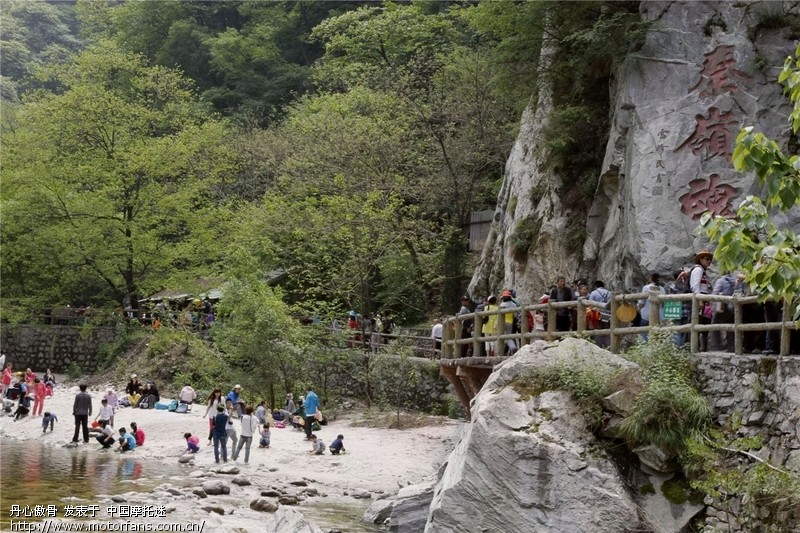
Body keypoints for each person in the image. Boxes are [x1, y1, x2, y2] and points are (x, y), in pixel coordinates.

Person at [710, 271, 744, 352]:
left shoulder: (721, 280)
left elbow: (715, 293)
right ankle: (731, 347)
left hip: (723, 306)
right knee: (731, 328)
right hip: (733, 307)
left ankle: (718, 345)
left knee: (714, 326)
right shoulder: (735, 280)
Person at [690, 250, 714, 351]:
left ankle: (700, 348)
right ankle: (695, 348)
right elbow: (695, 285)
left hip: (702, 298)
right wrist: (699, 300)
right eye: (707, 259)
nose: (709, 261)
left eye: (710, 260)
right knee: (698, 322)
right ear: (701, 259)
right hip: (699, 299)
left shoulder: (702, 271)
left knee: (701, 322)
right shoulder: (698, 270)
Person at [638, 273, 665, 341]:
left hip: (646, 315)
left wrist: (638, 308)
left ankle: (645, 348)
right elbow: (663, 303)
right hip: (659, 315)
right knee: (657, 335)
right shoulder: (662, 289)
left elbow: (641, 301)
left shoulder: (646, 288)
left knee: (644, 334)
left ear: (651, 278)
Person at [499, 291, 518, 355]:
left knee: (501, 336)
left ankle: (502, 352)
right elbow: (515, 315)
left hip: (502, 322)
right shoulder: (514, 305)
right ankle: (513, 347)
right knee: (508, 336)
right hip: (510, 322)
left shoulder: (502, 305)